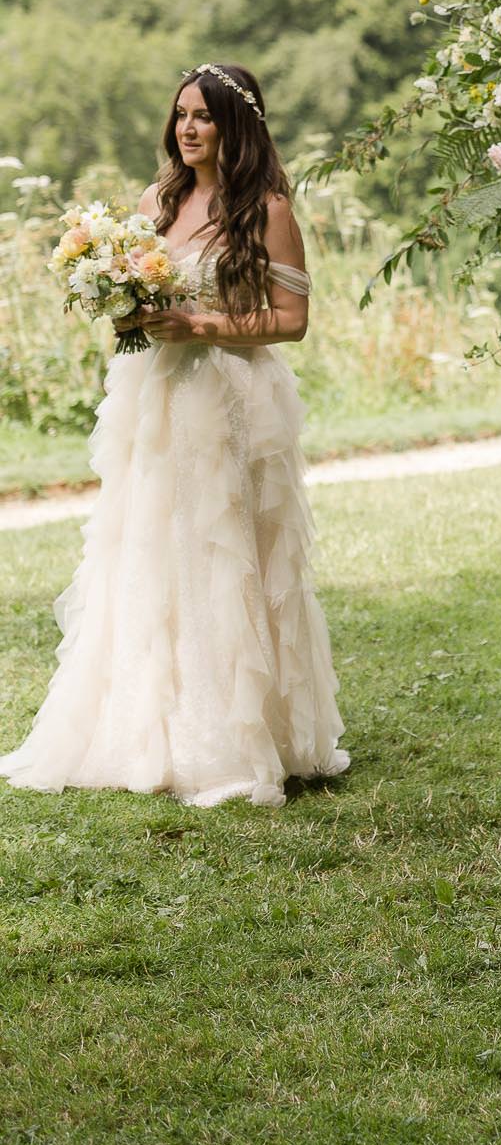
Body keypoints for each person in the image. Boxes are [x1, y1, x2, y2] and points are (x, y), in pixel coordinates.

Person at [1, 61, 348, 810]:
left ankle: (239, 733)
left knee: (227, 553)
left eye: (205, 116)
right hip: (158, 397)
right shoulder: (158, 200)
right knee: (153, 546)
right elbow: (139, 290)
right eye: (181, 114)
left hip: (230, 400)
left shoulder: (268, 209)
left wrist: (202, 324)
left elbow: (292, 321)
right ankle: (145, 727)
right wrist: (126, 305)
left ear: (236, 125)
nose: (188, 128)